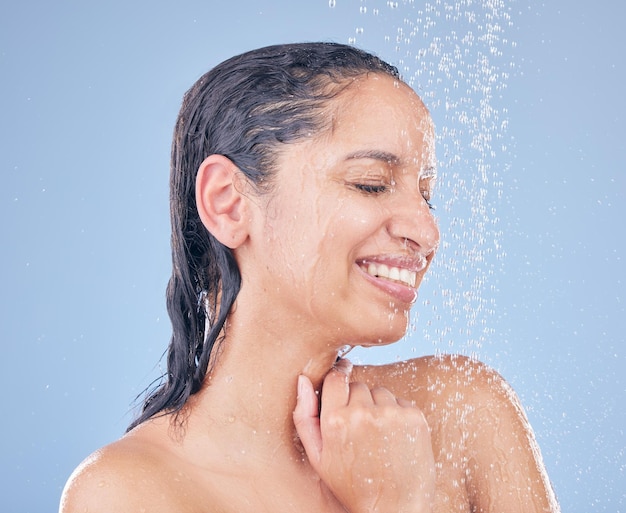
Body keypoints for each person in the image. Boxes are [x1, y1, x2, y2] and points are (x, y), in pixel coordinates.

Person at [60, 42, 559, 513]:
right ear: (228, 203)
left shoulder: (463, 412)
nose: (427, 231)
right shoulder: (130, 491)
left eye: (426, 195)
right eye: (371, 184)